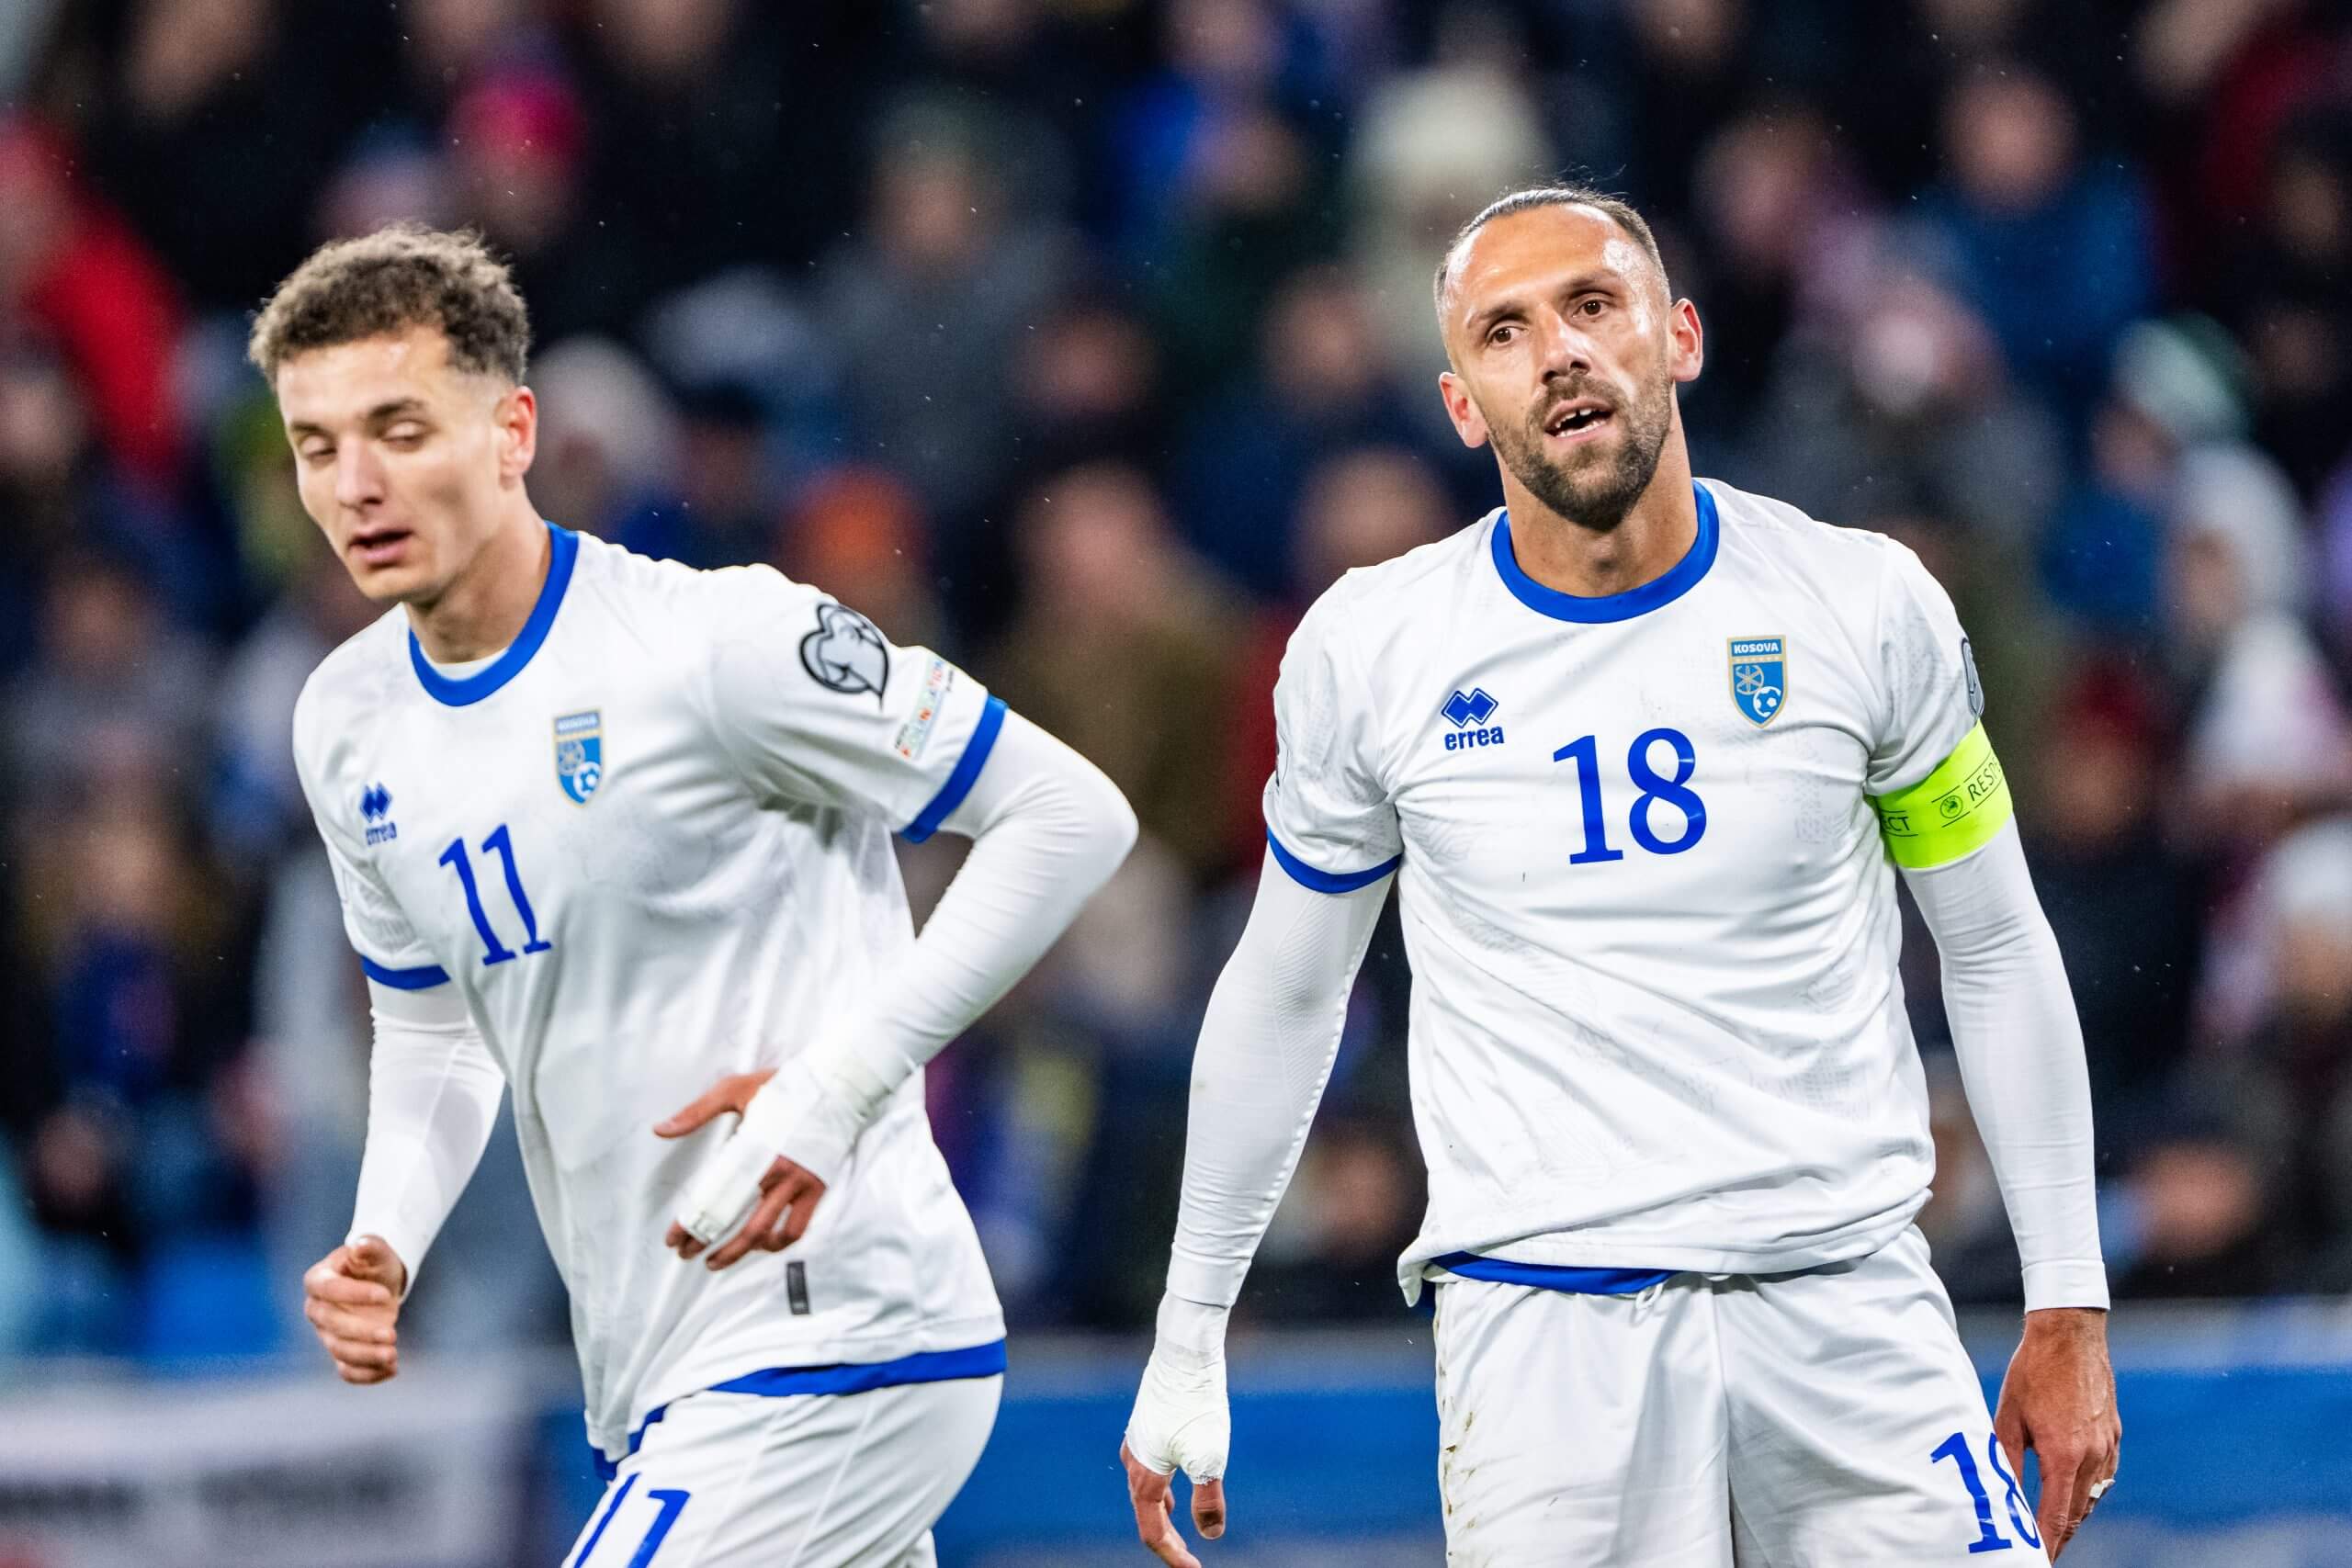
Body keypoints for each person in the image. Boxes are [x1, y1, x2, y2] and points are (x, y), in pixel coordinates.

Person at [1120, 186, 2120, 1567]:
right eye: (1506, 331)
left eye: (1593, 305)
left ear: (1681, 336)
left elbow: (1998, 946)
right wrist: (1188, 1330)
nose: (1560, 352)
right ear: (1464, 405)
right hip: (1544, 1340)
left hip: (1848, 1305)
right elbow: (1288, 995)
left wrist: (2068, 1302)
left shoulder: (1863, 604)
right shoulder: (1372, 651)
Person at [260, 225, 1136, 1567]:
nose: (357, 483)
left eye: (399, 428)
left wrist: (834, 1090)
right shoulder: (346, 717)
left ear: (513, 429)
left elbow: (1070, 813)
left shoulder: (717, 644)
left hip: (835, 1332)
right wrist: (386, 1232)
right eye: (319, 447)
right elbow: (435, 1027)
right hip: (658, 1367)